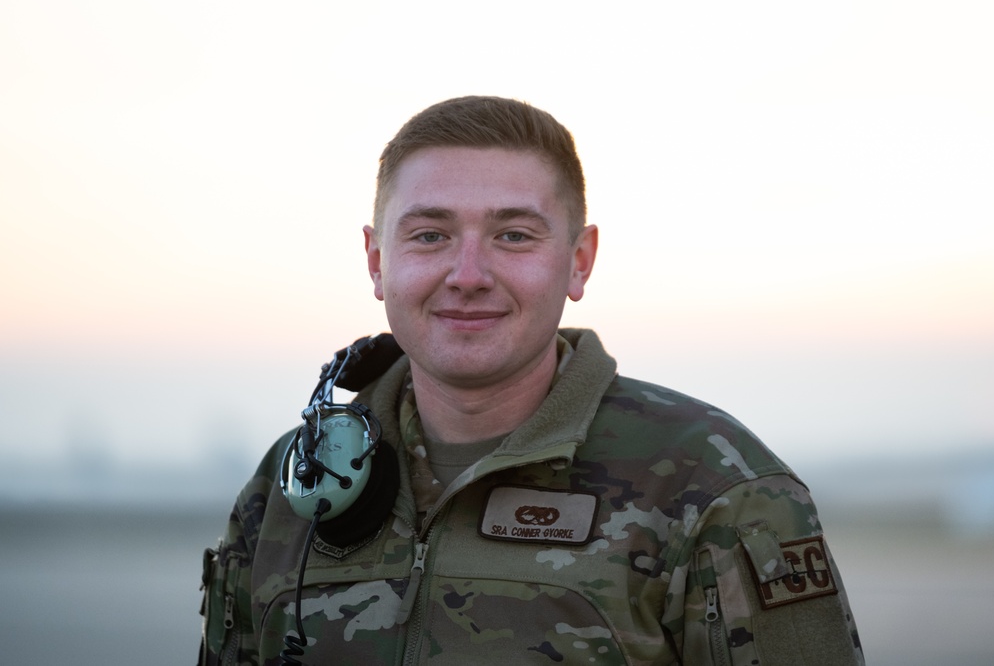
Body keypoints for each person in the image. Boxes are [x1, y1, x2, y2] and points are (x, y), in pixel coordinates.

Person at [199, 96, 865, 665]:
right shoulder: (291, 488)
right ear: (377, 261)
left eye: (513, 235)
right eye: (429, 235)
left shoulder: (714, 485)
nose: (467, 274)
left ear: (579, 262)